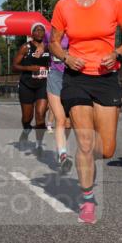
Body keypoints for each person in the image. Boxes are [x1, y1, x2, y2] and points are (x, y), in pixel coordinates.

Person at [50, 0, 122, 225]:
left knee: (108, 148)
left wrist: (118, 52)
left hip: (105, 77)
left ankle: (83, 160)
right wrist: (66, 57)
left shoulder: (115, 2)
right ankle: (87, 198)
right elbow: (54, 42)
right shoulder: (64, 6)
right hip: (76, 77)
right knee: (86, 142)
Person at [13, 22, 51, 151]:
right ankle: (26, 130)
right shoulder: (26, 47)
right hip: (27, 85)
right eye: (37, 30)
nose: (40, 33)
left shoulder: (48, 47)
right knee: (27, 117)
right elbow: (15, 66)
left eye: (42, 30)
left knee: (40, 115)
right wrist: (29, 68)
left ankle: (39, 144)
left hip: (43, 84)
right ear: (32, 34)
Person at [46, 32, 73, 173]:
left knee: (69, 122)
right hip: (55, 76)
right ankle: (63, 154)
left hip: (71, 78)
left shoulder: (75, 33)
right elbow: (43, 45)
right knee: (60, 119)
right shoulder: (49, 33)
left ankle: (60, 147)